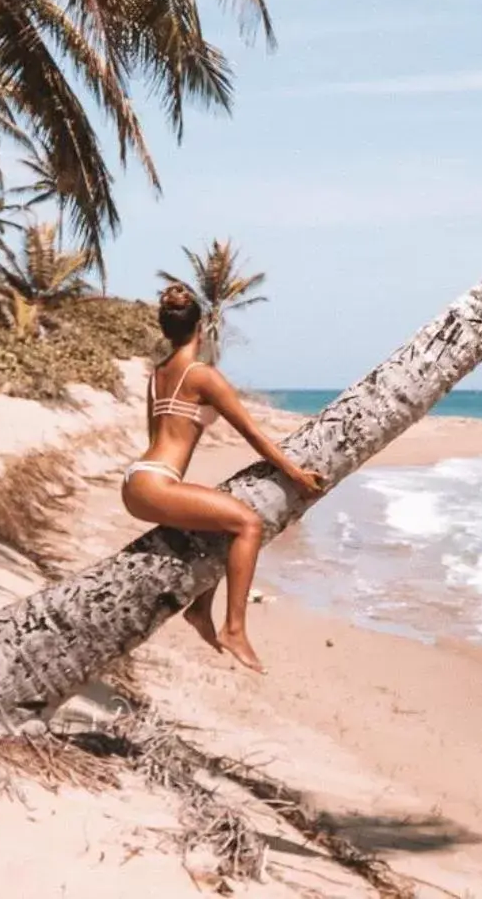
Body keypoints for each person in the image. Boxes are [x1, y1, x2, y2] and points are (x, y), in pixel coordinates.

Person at [121, 282, 324, 672]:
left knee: (220, 525)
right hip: (158, 480)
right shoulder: (203, 376)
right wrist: (294, 473)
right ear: (202, 329)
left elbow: (156, 436)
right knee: (247, 524)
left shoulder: (157, 375)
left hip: (137, 479)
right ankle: (235, 629)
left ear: (166, 330)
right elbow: (251, 432)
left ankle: (200, 611)